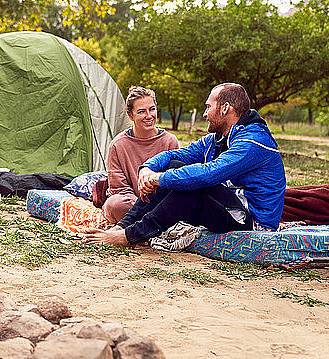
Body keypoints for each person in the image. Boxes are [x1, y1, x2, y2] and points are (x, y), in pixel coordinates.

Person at [82, 82, 286, 247]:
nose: (205, 113)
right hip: (230, 206)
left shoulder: (252, 142)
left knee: (191, 187)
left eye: (208, 107)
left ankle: (130, 235)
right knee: (175, 165)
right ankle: (123, 226)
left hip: (251, 221)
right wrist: (147, 169)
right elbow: (177, 155)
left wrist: (159, 179)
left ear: (225, 108)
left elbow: (209, 173)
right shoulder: (219, 138)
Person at [101, 86, 179, 223]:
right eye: (142, 112)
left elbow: (174, 180)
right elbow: (118, 189)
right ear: (131, 116)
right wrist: (140, 206)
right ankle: (148, 223)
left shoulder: (170, 141)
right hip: (129, 202)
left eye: (152, 109)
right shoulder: (117, 145)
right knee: (115, 205)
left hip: (162, 202)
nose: (149, 116)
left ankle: (146, 223)